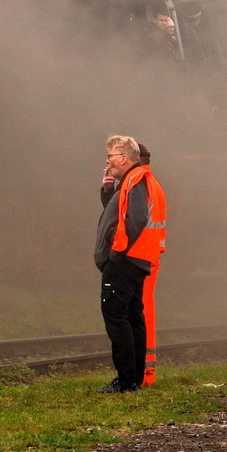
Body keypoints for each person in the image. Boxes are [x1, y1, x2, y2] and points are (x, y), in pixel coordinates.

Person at [95, 135, 166, 392]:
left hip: (126, 259)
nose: (108, 161)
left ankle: (125, 380)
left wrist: (116, 251)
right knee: (134, 316)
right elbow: (117, 213)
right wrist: (107, 191)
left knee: (116, 315)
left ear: (124, 158)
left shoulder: (137, 181)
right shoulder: (136, 181)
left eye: (111, 156)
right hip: (139, 259)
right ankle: (134, 378)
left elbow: (133, 221)